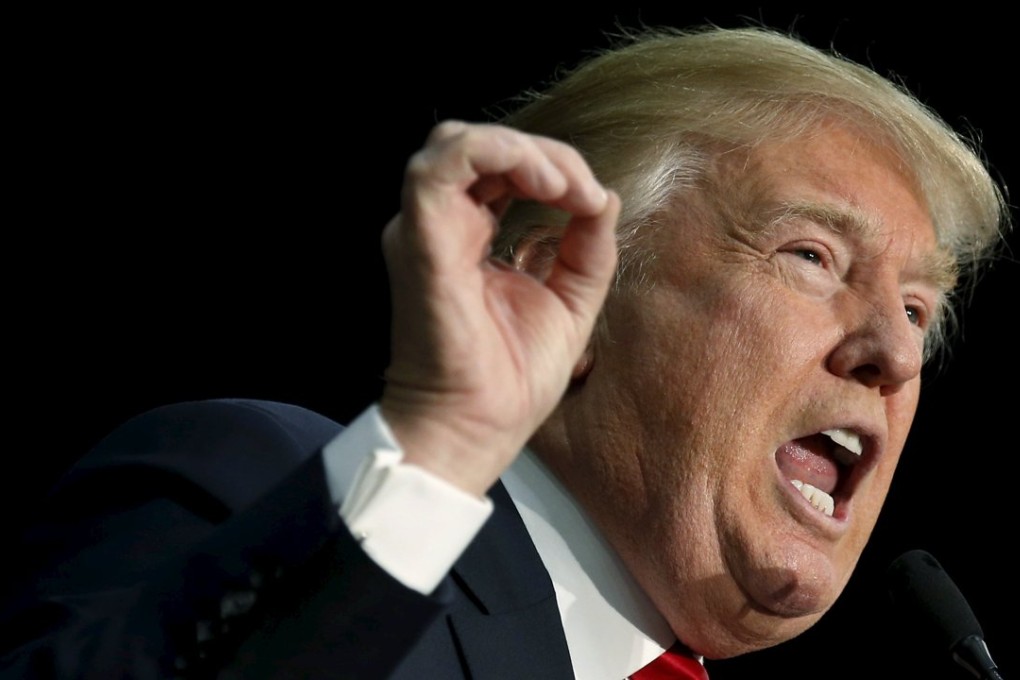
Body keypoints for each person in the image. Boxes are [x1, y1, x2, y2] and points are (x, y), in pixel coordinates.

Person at [1, 23, 1009, 680]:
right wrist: (442, 444)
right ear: (551, 275)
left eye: (919, 310)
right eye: (811, 255)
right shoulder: (269, 486)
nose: (891, 351)